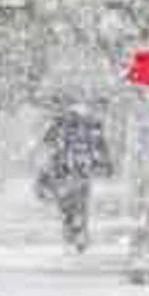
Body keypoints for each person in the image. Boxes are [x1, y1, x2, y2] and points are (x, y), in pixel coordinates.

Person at [37, 104, 114, 252]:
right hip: (80, 171)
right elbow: (101, 147)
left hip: (64, 171)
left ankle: (73, 232)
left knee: (68, 205)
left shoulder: (61, 124)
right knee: (80, 204)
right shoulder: (91, 125)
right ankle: (79, 232)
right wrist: (105, 164)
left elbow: (47, 142)